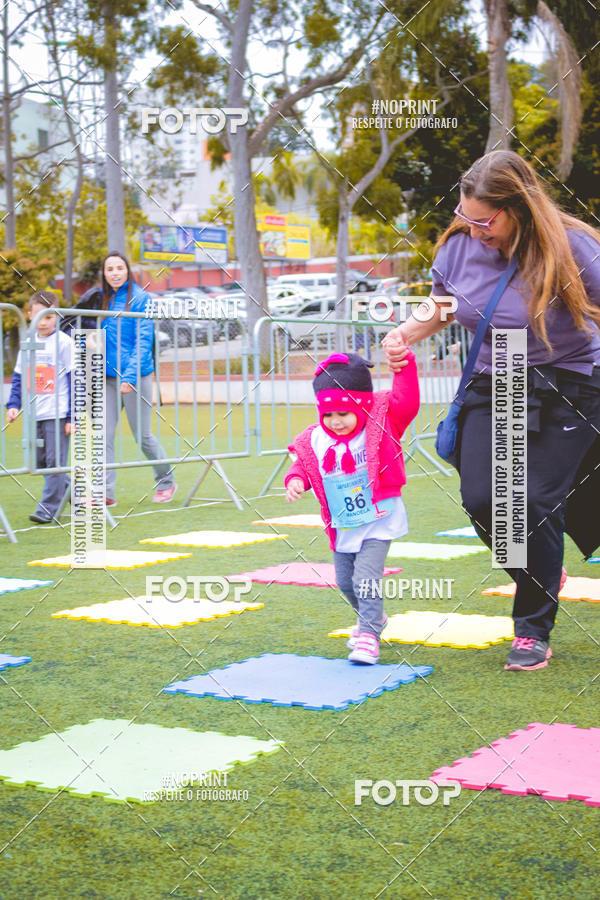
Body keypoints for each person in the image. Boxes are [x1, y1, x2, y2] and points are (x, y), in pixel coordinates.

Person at [383, 149, 600, 672]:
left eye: (485, 220)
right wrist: (406, 332)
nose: (474, 229)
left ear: (519, 209)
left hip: (570, 380)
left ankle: (531, 628)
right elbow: (443, 302)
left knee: (531, 501)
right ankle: (540, 572)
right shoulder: (460, 248)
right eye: (465, 216)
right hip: (495, 376)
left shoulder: (576, 249)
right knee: (485, 499)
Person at [285, 351, 420, 664]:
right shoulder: (316, 439)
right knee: (346, 582)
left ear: (363, 406)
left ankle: (369, 634)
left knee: (365, 579)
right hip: (344, 522)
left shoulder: (381, 424)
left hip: (378, 519)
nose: (336, 422)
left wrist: (404, 365)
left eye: (344, 414)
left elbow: (407, 401)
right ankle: (375, 617)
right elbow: (304, 466)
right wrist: (295, 480)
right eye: (329, 415)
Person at [102, 251, 176, 505]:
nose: (114, 273)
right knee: (103, 435)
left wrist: (129, 377)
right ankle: (106, 492)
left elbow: (143, 340)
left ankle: (166, 481)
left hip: (135, 377)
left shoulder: (141, 298)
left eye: (119, 268)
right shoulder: (102, 299)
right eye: (109, 269)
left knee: (143, 435)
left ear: (127, 270)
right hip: (107, 379)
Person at [6, 291, 72, 523]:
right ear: (29, 315)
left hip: (57, 412)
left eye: (49, 317)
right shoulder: (27, 343)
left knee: (55, 462)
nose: (44, 323)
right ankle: (77, 492)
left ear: (56, 316)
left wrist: (71, 416)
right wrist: (14, 404)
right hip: (35, 413)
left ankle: (48, 508)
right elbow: (19, 377)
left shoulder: (64, 342)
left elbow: (74, 379)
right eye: (39, 317)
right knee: (41, 463)